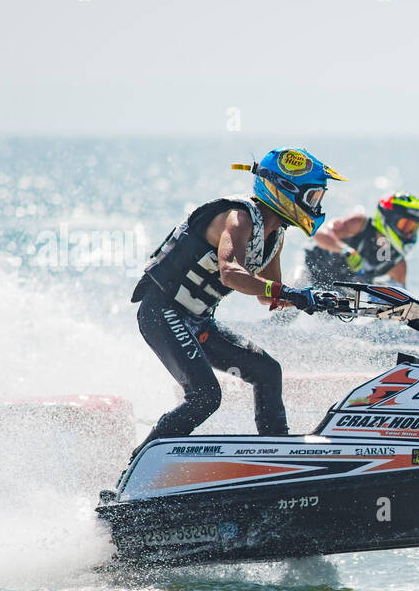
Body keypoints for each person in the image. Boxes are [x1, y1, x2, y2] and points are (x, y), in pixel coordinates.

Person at [129, 147, 346, 452]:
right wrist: (290, 294)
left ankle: (278, 455)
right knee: (204, 397)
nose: (316, 206)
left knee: (267, 371)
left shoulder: (276, 236)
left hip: (198, 320)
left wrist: (317, 300)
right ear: (285, 190)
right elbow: (231, 273)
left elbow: (268, 295)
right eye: (313, 198)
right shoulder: (239, 217)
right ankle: (135, 470)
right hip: (162, 312)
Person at [302, 192, 419, 288]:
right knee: (287, 309)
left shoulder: (398, 266)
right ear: (389, 218)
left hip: (335, 294)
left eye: (413, 228)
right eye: (406, 225)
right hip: (309, 273)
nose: (409, 234)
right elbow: (318, 233)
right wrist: (345, 250)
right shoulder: (359, 224)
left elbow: (402, 303)